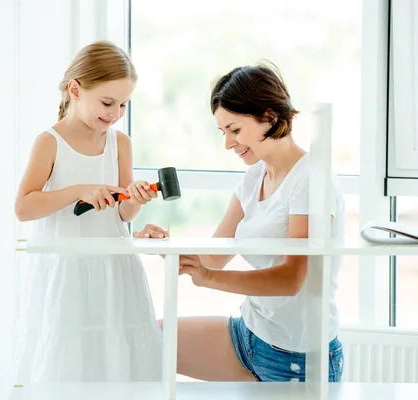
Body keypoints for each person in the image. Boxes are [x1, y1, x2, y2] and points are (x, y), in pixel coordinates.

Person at [135, 62, 346, 382]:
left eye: (234, 130)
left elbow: (291, 280)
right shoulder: (253, 178)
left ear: (270, 117)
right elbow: (215, 256)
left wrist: (206, 278)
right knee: (144, 340)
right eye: (223, 132)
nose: (228, 143)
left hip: (299, 359)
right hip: (249, 335)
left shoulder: (311, 178)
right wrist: (168, 245)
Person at [13, 41, 162, 383]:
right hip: (67, 271)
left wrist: (136, 198)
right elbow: (24, 206)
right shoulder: (50, 142)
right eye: (108, 102)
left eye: (124, 104)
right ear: (75, 90)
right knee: (69, 357)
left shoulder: (120, 143)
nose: (115, 113)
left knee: (113, 356)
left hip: (114, 268)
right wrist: (81, 191)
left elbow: (124, 214)